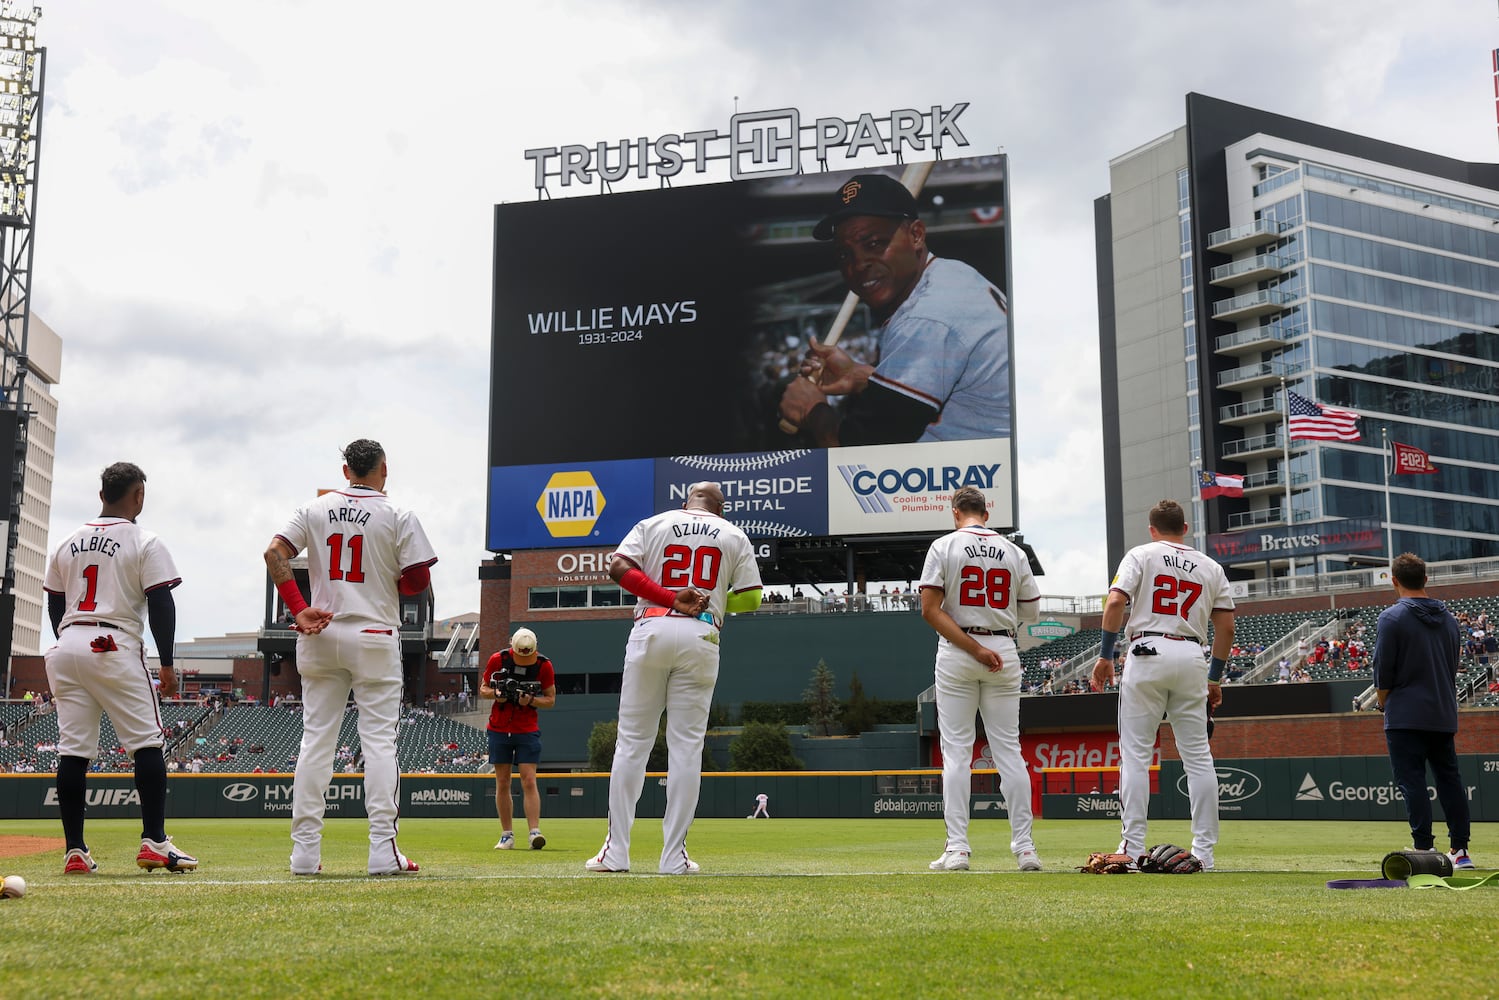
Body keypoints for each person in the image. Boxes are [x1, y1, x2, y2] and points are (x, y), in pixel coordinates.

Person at [264, 438, 437, 876]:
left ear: (346, 471)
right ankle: (382, 851)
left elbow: (274, 553)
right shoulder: (397, 513)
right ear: (384, 470)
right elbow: (417, 579)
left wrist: (298, 606)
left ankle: (303, 854)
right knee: (379, 744)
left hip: (319, 629)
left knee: (315, 742)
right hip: (374, 630)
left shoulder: (313, 508)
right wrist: (382, 582)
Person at [587, 482, 763, 874]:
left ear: (685, 502)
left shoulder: (655, 522)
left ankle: (615, 853)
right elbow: (752, 597)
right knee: (686, 748)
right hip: (703, 633)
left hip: (653, 624)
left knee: (632, 743)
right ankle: (673, 858)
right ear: (721, 508)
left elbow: (617, 567)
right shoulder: (734, 534)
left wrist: (669, 597)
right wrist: (713, 598)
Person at [42, 461, 198, 875]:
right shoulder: (145, 541)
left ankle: (75, 850)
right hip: (111, 642)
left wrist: (66, 640)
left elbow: (55, 601)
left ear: (101, 495)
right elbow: (162, 603)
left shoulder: (67, 541)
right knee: (147, 744)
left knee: (73, 750)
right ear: (139, 496)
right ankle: (155, 841)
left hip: (67, 644)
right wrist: (166, 664)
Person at [776, 171, 1009, 447]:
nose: (858, 264)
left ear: (916, 235)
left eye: (874, 244)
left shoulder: (926, 316)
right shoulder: (952, 274)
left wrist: (813, 412)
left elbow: (864, 458)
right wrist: (861, 377)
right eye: (844, 254)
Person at [1092, 499, 1235, 871]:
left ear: (1152, 529)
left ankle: (1133, 847)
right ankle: (1204, 853)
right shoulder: (1211, 566)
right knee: (1198, 759)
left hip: (1147, 650)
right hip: (1191, 654)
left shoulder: (1141, 554)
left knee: (1136, 755)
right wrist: (1215, 676)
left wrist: (1106, 656)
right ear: (1185, 528)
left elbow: (1114, 604)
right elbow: (1227, 627)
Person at [919, 486, 1043, 872]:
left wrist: (974, 648)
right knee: (1009, 751)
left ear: (955, 512)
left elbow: (929, 610)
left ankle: (957, 849)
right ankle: (1025, 849)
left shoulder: (944, 545)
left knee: (957, 753)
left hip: (959, 651)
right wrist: (994, 633)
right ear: (985, 513)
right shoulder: (1014, 551)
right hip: (1003, 650)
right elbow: (1033, 612)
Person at [1373, 553, 1473, 869]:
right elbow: (1451, 666)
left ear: (1394, 580)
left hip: (1405, 714)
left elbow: (1383, 671)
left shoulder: (1391, 618)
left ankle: (1424, 849)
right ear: (1426, 579)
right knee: (1450, 781)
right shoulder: (1450, 619)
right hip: (1442, 712)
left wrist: (1382, 701)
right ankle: (1460, 851)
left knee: (1412, 782)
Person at [481, 627, 556, 850]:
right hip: (499, 727)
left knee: (529, 779)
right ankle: (507, 835)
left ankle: (534, 832)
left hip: (527, 728)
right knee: (502, 781)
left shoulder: (544, 665)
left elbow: (551, 699)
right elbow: (483, 688)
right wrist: (497, 694)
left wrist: (531, 700)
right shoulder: (498, 660)